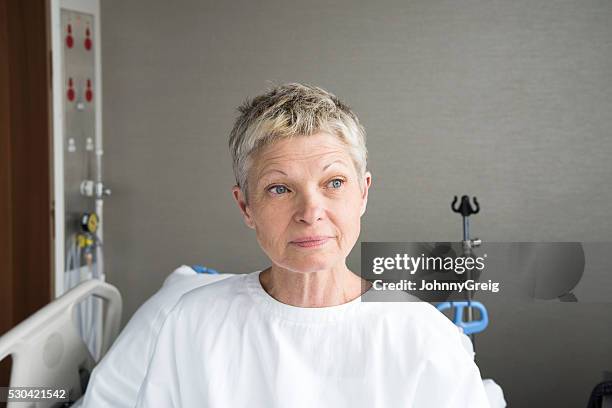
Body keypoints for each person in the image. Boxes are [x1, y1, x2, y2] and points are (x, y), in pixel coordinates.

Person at [135, 83, 490, 407]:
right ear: (246, 206)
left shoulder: (424, 337)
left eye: (334, 183)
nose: (310, 212)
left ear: (363, 193)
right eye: (279, 188)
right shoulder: (193, 323)